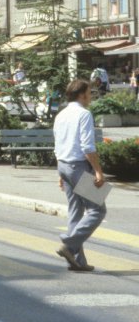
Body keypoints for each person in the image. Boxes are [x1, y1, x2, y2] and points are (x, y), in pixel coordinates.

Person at [53, 79, 106, 272]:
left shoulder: (61, 115)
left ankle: (77, 261)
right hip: (79, 167)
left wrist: (61, 172)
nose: (91, 96)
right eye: (90, 93)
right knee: (97, 211)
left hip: (64, 165)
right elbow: (87, 147)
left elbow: (58, 143)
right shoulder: (84, 114)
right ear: (82, 95)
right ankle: (69, 244)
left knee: (75, 211)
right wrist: (98, 171)